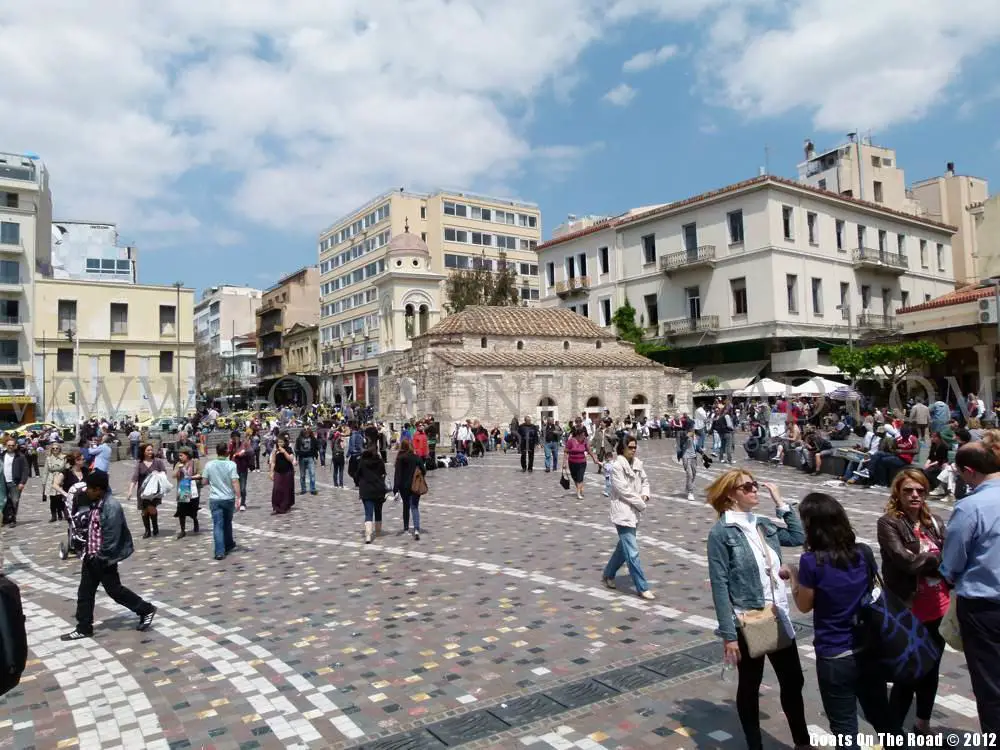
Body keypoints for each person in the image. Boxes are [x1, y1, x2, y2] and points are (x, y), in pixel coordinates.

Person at [781, 493, 898, 745]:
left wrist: (793, 575)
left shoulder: (811, 562)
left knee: (845, 728)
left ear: (811, 526)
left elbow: (804, 605)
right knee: (883, 717)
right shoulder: (863, 553)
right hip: (868, 648)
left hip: (835, 654)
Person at [705, 469, 808, 750]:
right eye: (747, 487)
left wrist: (780, 502)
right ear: (730, 495)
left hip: (776, 615)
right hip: (749, 618)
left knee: (793, 679)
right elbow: (719, 585)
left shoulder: (763, 524)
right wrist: (729, 635)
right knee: (751, 684)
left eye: (755, 486)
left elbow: (797, 536)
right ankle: (755, 744)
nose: (754, 490)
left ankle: (802, 742)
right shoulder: (721, 533)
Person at [877, 468, 948, 734]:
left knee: (932, 668)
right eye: (908, 490)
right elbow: (905, 562)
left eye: (920, 490)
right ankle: (893, 732)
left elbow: (952, 557)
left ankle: (922, 723)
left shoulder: (935, 522)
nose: (915, 495)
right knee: (907, 672)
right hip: (908, 607)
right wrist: (936, 559)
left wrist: (928, 561)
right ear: (898, 493)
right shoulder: (889, 523)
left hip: (939, 605)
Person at [939, 443, 1000, 732]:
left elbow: (952, 560)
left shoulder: (971, 506)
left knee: (991, 686)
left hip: (985, 608)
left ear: (969, 471)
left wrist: (947, 576)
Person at [60, 471, 156, 641]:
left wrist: (100, 557)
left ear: (99, 489)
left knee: (115, 591)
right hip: (91, 556)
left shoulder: (111, 506)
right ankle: (83, 627)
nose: (86, 491)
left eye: (90, 488)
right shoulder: (95, 503)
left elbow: (112, 537)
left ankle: (145, 609)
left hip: (103, 558)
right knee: (85, 593)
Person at [601, 434, 654, 600]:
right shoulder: (617, 466)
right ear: (622, 448)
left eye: (635, 447)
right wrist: (641, 502)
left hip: (634, 511)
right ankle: (642, 587)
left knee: (623, 549)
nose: (633, 450)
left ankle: (608, 574)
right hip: (623, 512)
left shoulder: (638, 464)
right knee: (632, 551)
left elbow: (645, 481)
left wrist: (645, 494)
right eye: (630, 447)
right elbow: (624, 491)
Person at [202, 443, 240, 561]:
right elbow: (235, 481)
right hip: (228, 498)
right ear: (227, 452)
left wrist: (213, 480)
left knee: (217, 525)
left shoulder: (209, 464)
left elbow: (204, 481)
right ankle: (228, 544)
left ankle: (219, 551)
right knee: (227, 522)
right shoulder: (231, 464)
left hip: (215, 498)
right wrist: (239, 497)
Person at [127, 444, 168, 539]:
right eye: (148, 450)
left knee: (151, 508)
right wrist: (130, 491)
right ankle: (147, 530)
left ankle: (155, 527)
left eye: (151, 450)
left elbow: (164, 472)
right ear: (143, 452)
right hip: (142, 492)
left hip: (154, 491)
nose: (150, 452)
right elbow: (135, 478)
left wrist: (158, 474)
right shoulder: (140, 463)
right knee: (144, 511)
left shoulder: (158, 462)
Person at [357, 440, 387, 544]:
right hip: (378, 489)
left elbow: (357, 474)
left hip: (366, 490)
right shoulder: (380, 461)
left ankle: (368, 535)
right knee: (378, 511)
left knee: (368, 513)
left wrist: (360, 482)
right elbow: (384, 473)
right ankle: (378, 532)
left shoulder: (362, 461)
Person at [393, 438, 424, 539]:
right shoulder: (416, 457)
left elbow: (397, 475)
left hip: (404, 487)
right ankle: (416, 529)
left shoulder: (400, 458)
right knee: (414, 507)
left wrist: (395, 489)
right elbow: (424, 470)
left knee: (406, 506)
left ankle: (406, 528)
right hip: (415, 486)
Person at [562, 425, 598, 500]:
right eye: (582, 435)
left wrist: (594, 458)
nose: (584, 436)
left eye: (584, 435)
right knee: (574, 477)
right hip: (572, 462)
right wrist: (564, 463)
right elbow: (566, 451)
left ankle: (578, 493)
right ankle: (579, 488)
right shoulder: (571, 441)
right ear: (578, 435)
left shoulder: (585, 441)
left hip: (582, 462)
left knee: (580, 477)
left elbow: (589, 450)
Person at [173, 447, 202, 539]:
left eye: (181, 455)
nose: (180, 457)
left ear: (187, 455)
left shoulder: (195, 462)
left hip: (193, 489)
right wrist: (179, 470)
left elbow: (200, 474)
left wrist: (191, 477)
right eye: (179, 455)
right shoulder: (179, 464)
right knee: (181, 510)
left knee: (193, 509)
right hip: (183, 489)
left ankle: (195, 520)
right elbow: (174, 475)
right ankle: (182, 530)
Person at [1, 437, 28, 528]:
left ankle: (12, 519)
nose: (11, 447)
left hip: (15, 482)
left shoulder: (20, 456)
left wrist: (22, 482)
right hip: (3, 482)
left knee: (14, 501)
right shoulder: (2, 455)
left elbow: (25, 470)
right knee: (4, 501)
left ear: (15, 446)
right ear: (6, 445)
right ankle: (5, 518)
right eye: (9, 445)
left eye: (12, 445)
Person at [269, 433, 296, 514]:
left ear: (284, 442)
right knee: (276, 489)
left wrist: (284, 452)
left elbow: (290, 459)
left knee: (286, 489)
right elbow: (273, 462)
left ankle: (284, 506)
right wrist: (271, 472)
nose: (280, 444)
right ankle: (276, 507)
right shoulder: (275, 451)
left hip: (288, 472)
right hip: (278, 472)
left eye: (281, 442)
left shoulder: (288, 449)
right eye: (278, 442)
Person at [227, 430, 252, 511]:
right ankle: (236, 503)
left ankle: (242, 503)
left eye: (236, 438)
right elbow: (227, 454)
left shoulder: (244, 444)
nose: (234, 440)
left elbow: (251, 452)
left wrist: (244, 453)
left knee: (242, 488)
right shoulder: (231, 445)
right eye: (233, 438)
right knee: (234, 487)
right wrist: (230, 447)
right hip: (233, 469)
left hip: (243, 468)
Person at [44, 442, 66, 522]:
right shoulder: (48, 458)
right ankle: (53, 515)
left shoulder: (64, 457)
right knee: (52, 499)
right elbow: (46, 471)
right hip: (51, 479)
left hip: (60, 479)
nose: (55, 450)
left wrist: (55, 468)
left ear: (60, 449)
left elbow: (63, 467)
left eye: (57, 448)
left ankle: (60, 513)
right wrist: (44, 482)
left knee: (59, 498)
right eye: (53, 448)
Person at [294, 425, 318, 495]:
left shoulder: (313, 439)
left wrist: (316, 457)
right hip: (302, 458)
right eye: (305, 429)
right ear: (302, 430)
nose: (306, 430)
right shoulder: (299, 439)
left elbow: (316, 448)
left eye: (308, 429)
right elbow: (296, 449)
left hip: (310, 458)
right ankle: (303, 489)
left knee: (312, 474)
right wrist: (296, 458)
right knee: (302, 475)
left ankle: (312, 489)